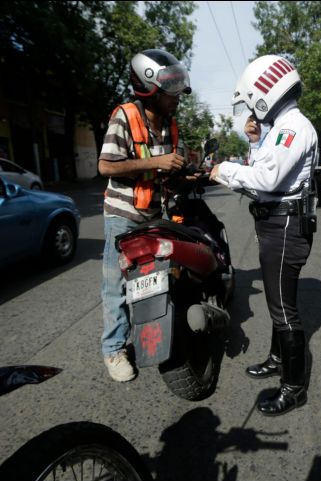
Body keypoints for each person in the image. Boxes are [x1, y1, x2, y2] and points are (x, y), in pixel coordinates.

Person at [211, 54, 318, 416]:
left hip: (285, 226)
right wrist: (256, 143)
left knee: (283, 308)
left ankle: (293, 388)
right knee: (277, 300)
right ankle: (277, 359)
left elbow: (268, 180)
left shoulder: (293, 128)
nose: (252, 112)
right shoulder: (281, 129)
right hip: (276, 223)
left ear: (264, 93)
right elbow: (263, 169)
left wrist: (223, 169)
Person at [97, 49, 192, 382]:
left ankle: (152, 330)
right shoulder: (125, 116)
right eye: (170, 90)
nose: (177, 97)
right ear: (149, 88)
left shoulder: (170, 125)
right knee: (116, 287)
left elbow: (166, 174)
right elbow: (106, 165)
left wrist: (185, 174)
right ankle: (113, 350)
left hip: (154, 212)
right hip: (122, 216)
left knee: (155, 279)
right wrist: (156, 162)